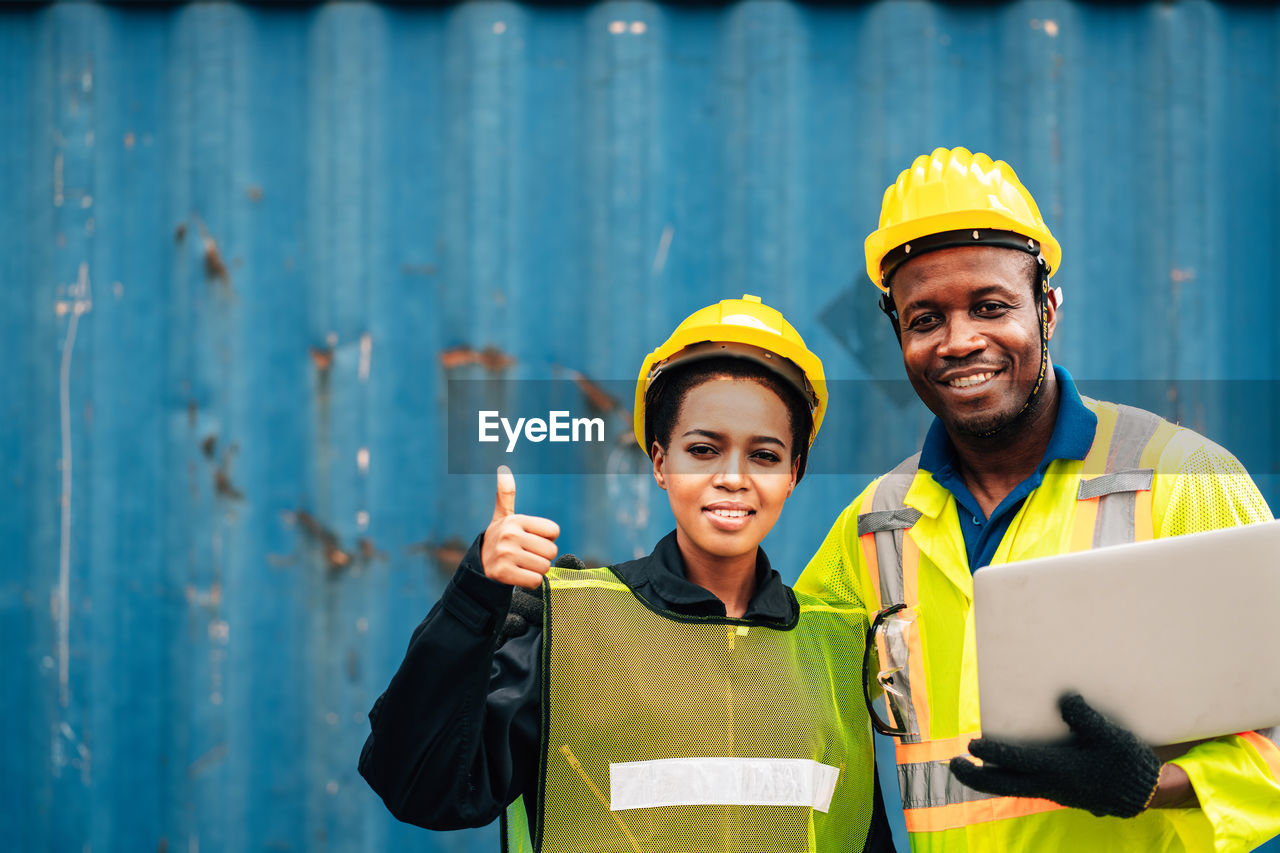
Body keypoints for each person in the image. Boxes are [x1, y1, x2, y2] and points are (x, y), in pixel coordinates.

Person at [796, 147, 1280, 851]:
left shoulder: (1184, 479)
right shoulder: (874, 523)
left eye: (991, 307)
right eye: (925, 318)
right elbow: (771, 680)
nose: (960, 341)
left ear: (1047, 308)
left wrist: (1153, 785)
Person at [359, 294, 894, 851]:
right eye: (704, 450)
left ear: (794, 473)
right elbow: (420, 787)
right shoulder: (569, 628)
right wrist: (474, 598)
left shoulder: (835, 647)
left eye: (764, 455)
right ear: (661, 462)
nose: (733, 477)